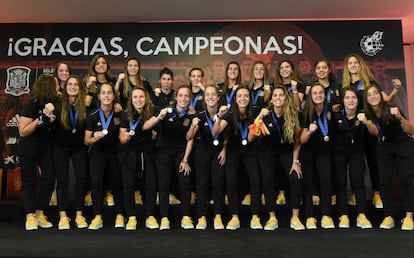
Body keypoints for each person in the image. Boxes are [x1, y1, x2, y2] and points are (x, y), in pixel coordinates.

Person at [342, 53, 400, 209]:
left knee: (373, 160)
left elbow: (386, 100)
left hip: (369, 125)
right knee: (355, 163)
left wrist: (396, 89)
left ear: (360, 65)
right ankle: (354, 193)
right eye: (350, 63)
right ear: (347, 67)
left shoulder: (369, 82)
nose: (353, 65)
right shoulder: (344, 86)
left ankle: (377, 193)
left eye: (355, 63)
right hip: (352, 128)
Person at [249, 85, 304, 230]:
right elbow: (250, 138)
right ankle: (272, 217)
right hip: (267, 152)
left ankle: (295, 218)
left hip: (287, 152)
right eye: (275, 96)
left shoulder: (294, 115)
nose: (278, 98)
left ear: (286, 99)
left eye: (281, 95)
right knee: (268, 181)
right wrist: (259, 117)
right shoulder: (265, 115)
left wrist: (296, 161)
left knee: (295, 177)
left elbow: (298, 140)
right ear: (271, 99)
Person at [363, 82, 414, 230]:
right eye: (369, 95)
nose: (373, 96)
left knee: (405, 179)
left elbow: (410, 130)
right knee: (384, 182)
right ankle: (388, 216)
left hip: (403, 143)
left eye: (375, 93)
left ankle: (409, 217)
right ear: (366, 99)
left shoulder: (391, 108)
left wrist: (399, 117)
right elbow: (376, 133)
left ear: (381, 95)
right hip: (385, 146)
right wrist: (366, 123)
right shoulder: (368, 113)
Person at [143, 85, 195, 230]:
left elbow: (190, 139)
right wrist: (160, 117)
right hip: (164, 150)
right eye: (181, 95)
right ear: (176, 97)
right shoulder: (166, 111)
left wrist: (185, 160)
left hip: (181, 152)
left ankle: (186, 217)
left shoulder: (192, 115)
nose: (183, 99)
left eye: (186, 96)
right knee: (164, 184)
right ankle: (164, 218)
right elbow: (146, 126)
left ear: (190, 99)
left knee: (185, 181)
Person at [212, 86, 262, 230]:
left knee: (255, 181)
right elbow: (215, 131)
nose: (243, 99)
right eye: (240, 96)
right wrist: (219, 116)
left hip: (251, 150)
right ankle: (234, 217)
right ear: (235, 99)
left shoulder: (255, 112)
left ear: (250, 98)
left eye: (246, 96)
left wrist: (258, 119)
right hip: (233, 151)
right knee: (231, 181)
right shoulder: (230, 113)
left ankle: (255, 217)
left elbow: (252, 138)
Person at [18, 74, 58, 230]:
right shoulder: (32, 104)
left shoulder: (55, 103)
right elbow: (23, 131)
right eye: (55, 85)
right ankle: (29, 216)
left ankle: (40, 212)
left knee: (49, 177)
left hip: (45, 147)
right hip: (28, 147)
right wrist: (42, 118)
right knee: (28, 181)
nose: (58, 87)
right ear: (48, 86)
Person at [331, 87, 374, 229]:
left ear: (358, 100)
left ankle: (362, 215)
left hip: (357, 151)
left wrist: (366, 122)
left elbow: (374, 133)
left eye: (353, 97)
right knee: (341, 182)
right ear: (342, 100)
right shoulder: (336, 114)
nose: (351, 100)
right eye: (347, 97)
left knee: (358, 182)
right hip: (339, 152)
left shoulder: (363, 114)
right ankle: (343, 215)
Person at [186, 85, 227, 230]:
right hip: (202, 152)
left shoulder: (223, 113)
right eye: (207, 95)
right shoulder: (200, 115)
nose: (210, 97)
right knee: (202, 185)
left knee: (218, 184)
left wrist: (224, 149)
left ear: (218, 97)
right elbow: (189, 137)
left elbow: (224, 134)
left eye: (213, 95)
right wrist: (193, 126)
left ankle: (218, 217)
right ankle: (201, 217)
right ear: (204, 98)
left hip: (217, 152)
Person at [84, 82, 124, 230]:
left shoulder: (120, 114)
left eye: (109, 93)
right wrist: (95, 137)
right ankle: (97, 216)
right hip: (97, 153)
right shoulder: (93, 116)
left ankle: (120, 215)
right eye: (103, 93)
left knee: (117, 183)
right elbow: (86, 140)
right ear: (99, 96)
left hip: (115, 153)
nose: (106, 96)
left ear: (113, 96)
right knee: (96, 183)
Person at [118, 87, 159, 230]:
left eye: (141, 96)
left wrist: (155, 133)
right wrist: (125, 137)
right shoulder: (125, 115)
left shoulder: (153, 112)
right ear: (131, 99)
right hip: (129, 153)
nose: (138, 99)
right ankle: (131, 217)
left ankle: (150, 216)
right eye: (135, 97)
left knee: (150, 185)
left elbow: (159, 131)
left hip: (148, 153)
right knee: (128, 185)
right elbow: (121, 137)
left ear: (146, 98)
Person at [52, 75, 89, 230]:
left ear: (80, 88)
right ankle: (63, 217)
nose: (73, 87)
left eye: (76, 84)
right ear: (65, 87)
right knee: (62, 180)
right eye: (70, 84)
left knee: (81, 179)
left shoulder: (85, 105)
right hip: (60, 146)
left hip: (79, 147)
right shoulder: (58, 104)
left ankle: (79, 215)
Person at [299, 83, 335, 229]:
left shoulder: (331, 112)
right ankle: (309, 216)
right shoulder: (305, 114)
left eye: (321, 93)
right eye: (315, 93)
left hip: (325, 152)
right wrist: (310, 131)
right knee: (308, 184)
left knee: (326, 183)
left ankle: (326, 215)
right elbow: (301, 140)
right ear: (310, 96)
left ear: (325, 95)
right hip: (308, 153)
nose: (318, 95)